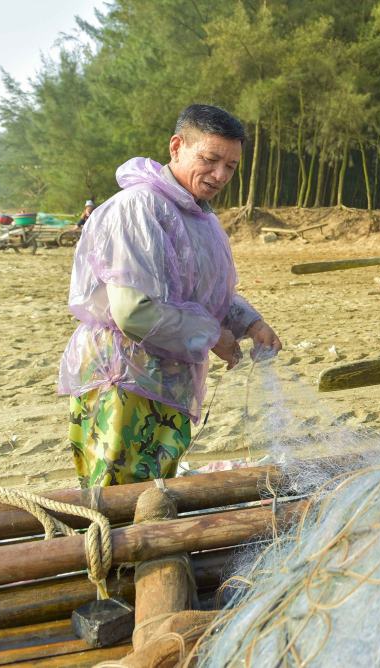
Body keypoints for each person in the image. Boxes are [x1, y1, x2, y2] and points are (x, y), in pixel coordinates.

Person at [59, 104, 282, 487]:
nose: (219, 175)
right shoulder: (139, 208)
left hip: (169, 384)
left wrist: (250, 323)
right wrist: (213, 337)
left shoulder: (201, 218)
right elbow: (135, 311)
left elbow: (206, 292)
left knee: (157, 491)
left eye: (231, 166)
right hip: (126, 382)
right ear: (177, 146)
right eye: (210, 160)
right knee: (120, 498)